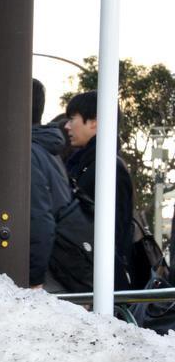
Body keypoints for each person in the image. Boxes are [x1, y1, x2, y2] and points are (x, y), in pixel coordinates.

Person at [64, 90, 134, 290]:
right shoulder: (85, 162)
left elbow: (114, 234)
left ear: (95, 121)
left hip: (98, 284)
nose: (67, 126)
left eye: (72, 119)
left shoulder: (109, 168)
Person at [29, 79, 73, 289]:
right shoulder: (48, 151)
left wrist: (33, 280)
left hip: (46, 275)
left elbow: (40, 219)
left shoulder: (27, 154)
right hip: (58, 264)